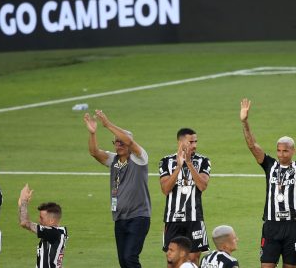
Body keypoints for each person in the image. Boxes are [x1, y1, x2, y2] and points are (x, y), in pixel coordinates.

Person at [240, 98, 296, 268]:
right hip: (271, 225)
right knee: (266, 265)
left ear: (293, 151)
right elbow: (252, 145)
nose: (281, 154)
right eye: (279, 150)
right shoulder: (270, 165)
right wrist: (245, 122)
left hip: (293, 225)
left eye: (285, 151)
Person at [84, 110, 151, 268]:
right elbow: (94, 152)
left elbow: (129, 141)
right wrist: (93, 133)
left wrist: (107, 124)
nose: (119, 145)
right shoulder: (113, 159)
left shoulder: (140, 158)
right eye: (116, 142)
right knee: (123, 262)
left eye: (122, 142)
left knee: (129, 257)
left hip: (138, 218)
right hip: (119, 218)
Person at [159, 128, 211, 265]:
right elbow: (165, 189)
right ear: (180, 142)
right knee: (172, 261)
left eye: (196, 141)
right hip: (172, 219)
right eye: (191, 142)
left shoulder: (203, 161)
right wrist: (178, 167)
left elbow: (202, 186)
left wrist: (188, 163)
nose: (194, 145)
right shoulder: (166, 161)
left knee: (193, 259)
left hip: (194, 218)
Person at [18, 184, 68, 268]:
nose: (39, 220)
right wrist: (21, 206)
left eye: (41, 218)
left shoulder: (52, 233)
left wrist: (23, 201)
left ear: (51, 220)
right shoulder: (60, 232)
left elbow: (25, 223)